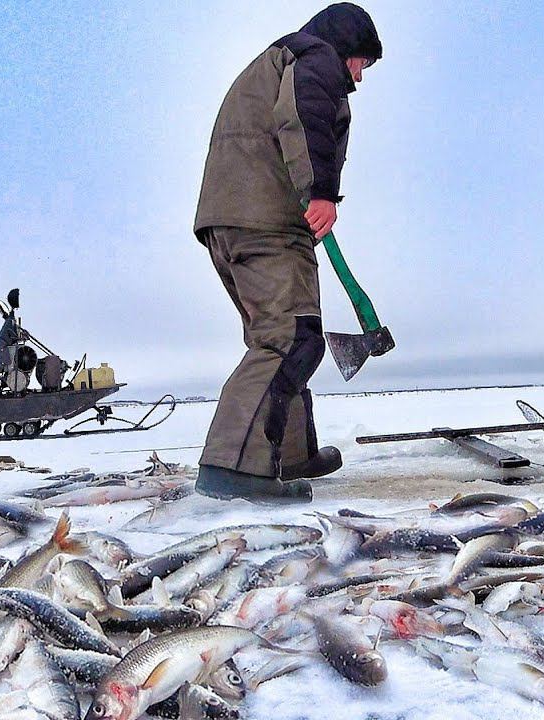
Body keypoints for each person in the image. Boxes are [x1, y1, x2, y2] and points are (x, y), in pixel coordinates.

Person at [192, 3, 382, 504]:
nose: (360, 77)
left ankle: (288, 453)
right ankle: (232, 468)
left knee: (289, 333)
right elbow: (305, 114)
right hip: (266, 221)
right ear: (345, 46)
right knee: (289, 339)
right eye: (362, 62)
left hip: (235, 220)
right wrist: (320, 190)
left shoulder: (276, 61)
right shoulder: (314, 57)